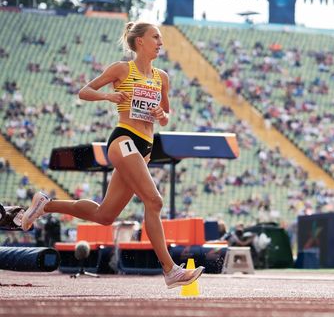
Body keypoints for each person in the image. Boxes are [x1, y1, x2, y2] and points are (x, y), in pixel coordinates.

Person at [20, 21, 204, 289]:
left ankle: (45, 205)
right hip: (123, 139)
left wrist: (162, 115)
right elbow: (85, 91)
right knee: (154, 201)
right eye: (156, 37)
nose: (161, 42)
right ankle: (170, 269)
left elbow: (165, 115)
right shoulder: (122, 69)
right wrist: (109, 96)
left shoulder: (162, 77)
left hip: (144, 148)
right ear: (140, 41)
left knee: (105, 215)